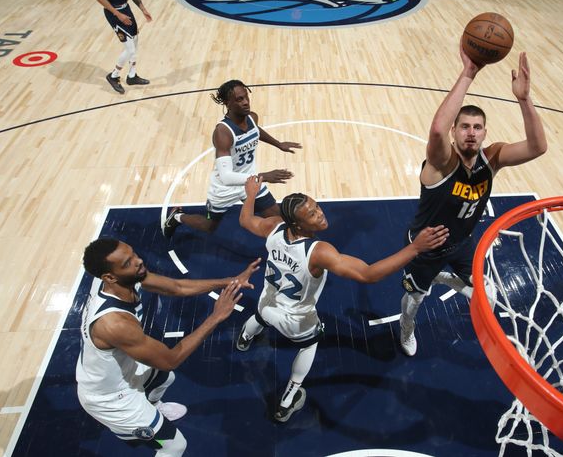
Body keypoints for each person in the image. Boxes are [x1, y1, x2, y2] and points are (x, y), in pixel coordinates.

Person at [235, 176, 450, 422]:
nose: (321, 214)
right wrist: (415, 248)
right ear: (298, 224)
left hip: (268, 299)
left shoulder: (273, 226)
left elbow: (245, 220)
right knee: (309, 344)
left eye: (317, 207)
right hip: (295, 318)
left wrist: (251, 193)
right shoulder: (319, 252)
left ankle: (245, 336)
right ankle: (289, 398)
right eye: (312, 214)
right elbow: (368, 274)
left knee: (261, 314)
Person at [397, 45, 548, 357]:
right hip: (426, 245)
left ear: (484, 133)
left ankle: (450, 276)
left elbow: (537, 147)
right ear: (455, 132)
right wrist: (468, 73)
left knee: (487, 295)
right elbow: (437, 129)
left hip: (463, 242)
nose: (471, 133)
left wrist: (523, 99)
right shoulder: (441, 162)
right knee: (414, 301)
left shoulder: (491, 158)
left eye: (477, 128)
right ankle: (405, 330)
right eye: (464, 126)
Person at [76, 237, 260, 456]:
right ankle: (144, 419)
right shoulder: (114, 323)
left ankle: (153, 409)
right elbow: (171, 359)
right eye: (128, 262)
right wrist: (216, 316)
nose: (138, 261)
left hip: (119, 372)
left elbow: (176, 287)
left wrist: (230, 281)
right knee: (175, 445)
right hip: (110, 398)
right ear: (109, 276)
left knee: (164, 378)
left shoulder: (120, 279)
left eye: (133, 254)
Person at [163, 80, 301, 238]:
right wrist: (264, 177)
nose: (246, 102)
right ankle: (177, 217)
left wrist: (278, 144)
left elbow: (255, 131)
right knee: (209, 226)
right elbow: (226, 177)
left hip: (250, 181)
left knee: (277, 217)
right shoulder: (223, 132)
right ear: (228, 103)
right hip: (224, 188)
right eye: (239, 99)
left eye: (246, 97)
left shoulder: (252, 118)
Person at [94, 0, 153, 95]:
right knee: (129, 48)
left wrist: (142, 8)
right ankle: (113, 76)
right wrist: (117, 14)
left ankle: (132, 75)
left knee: (135, 41)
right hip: (113, 12)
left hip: (126, 8)